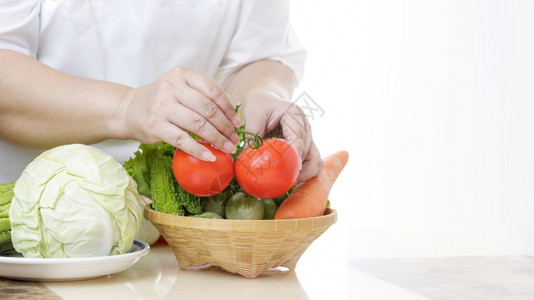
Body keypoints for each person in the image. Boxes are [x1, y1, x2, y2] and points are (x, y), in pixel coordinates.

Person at [0, 1, 322, 183]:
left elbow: (261, 54)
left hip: (180, 225)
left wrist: (260, 93)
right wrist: (127, 107)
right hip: (33, 218)